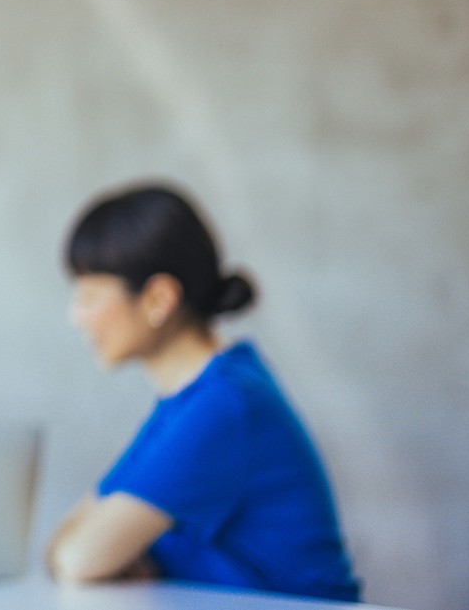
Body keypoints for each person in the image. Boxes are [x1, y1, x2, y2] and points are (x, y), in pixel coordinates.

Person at [48, 183, 359, 601]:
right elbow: (63, 543)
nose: (76, 318)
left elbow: (80, 559)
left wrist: (130, 558)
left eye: (89, 296)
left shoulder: (224, 405)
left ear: (159, 299)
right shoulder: (183, 403)